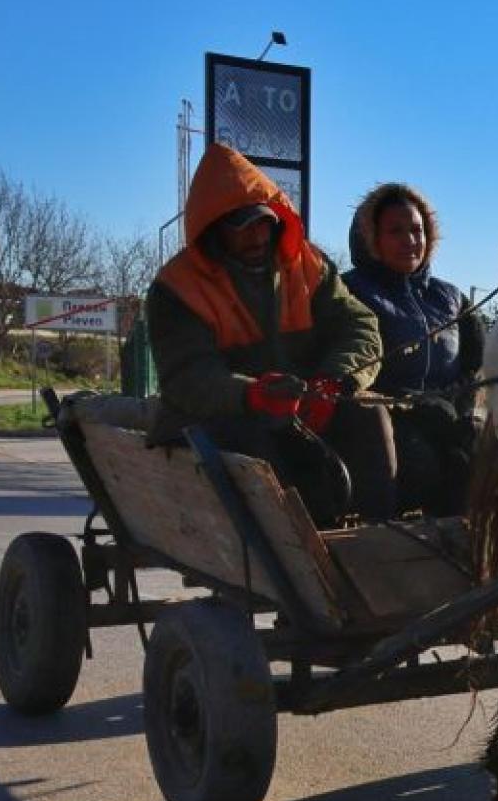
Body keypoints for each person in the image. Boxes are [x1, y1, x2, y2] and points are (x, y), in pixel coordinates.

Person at [148, 143, 399, 523]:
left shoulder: (308, 265)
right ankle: (295, 558)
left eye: (263, 222)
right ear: (214, 229)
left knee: (369, 417)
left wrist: (336, 379)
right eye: (242, 228)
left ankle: (380, 538)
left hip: (302, 406)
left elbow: (359, 326)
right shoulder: (177, 287)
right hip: (219, 417)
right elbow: (187, 376)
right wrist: (251, 394)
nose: (257, 237)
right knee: (256, 447)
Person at [342, 183, 484, 517]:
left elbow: (474, 364)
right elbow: (351, 361)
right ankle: (387, 544)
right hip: (385, 423)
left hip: (447, 416)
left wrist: (458, 406)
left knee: (486, 458)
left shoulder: (450, 297)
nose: (410, 241)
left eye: (417, 230)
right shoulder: (351, 292)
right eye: (396, 231)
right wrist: (411, 407)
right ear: (372, 238)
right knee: (423, 465)